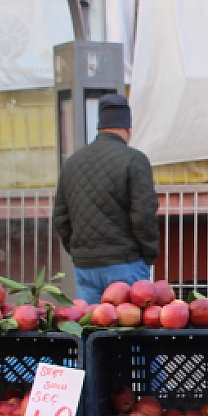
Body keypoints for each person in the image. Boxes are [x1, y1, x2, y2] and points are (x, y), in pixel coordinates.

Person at [52, 92, 159, 304]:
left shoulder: (72, 162)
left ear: (100, 127)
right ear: (128, 130)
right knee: (125, 323)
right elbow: (143, 214)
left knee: (91, 322)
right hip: (126, 263)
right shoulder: (134, 160)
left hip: (85, 265)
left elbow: (61, 217)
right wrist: (148, 255)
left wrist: (79, 252)